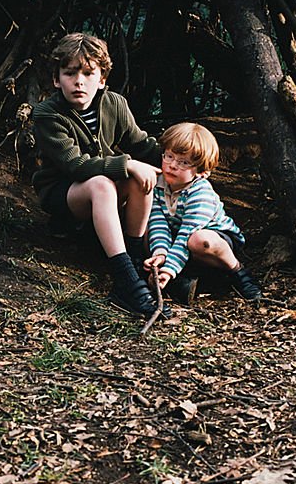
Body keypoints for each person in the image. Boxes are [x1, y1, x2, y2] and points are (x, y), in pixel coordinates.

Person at [32, 32, 166, 318]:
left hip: (101, 193)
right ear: (57, 79)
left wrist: (179, 163)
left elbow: (141, 144)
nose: (79, 81)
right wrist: (128, 164)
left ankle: (133, 263)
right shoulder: (48, 115)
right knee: (104, 184)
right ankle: (126, 279)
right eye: (70, 73)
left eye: (88, 73)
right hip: (65, 196)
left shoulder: (115, 103)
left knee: (140, 180)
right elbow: (75, 166)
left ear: (102, 79)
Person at [144, 122, 262, 303]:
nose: (172, 165)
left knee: (199, 240)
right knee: (146, 230)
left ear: (201, 172)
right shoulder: (158, 185)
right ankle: (194, 278)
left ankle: (237, 271)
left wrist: (168, 269)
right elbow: (158, 223)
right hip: (180, 241)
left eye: (184, 162)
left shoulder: (200, 193)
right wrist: (160, 254)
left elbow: (187, 234)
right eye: (169, 156)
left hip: (214, 239)